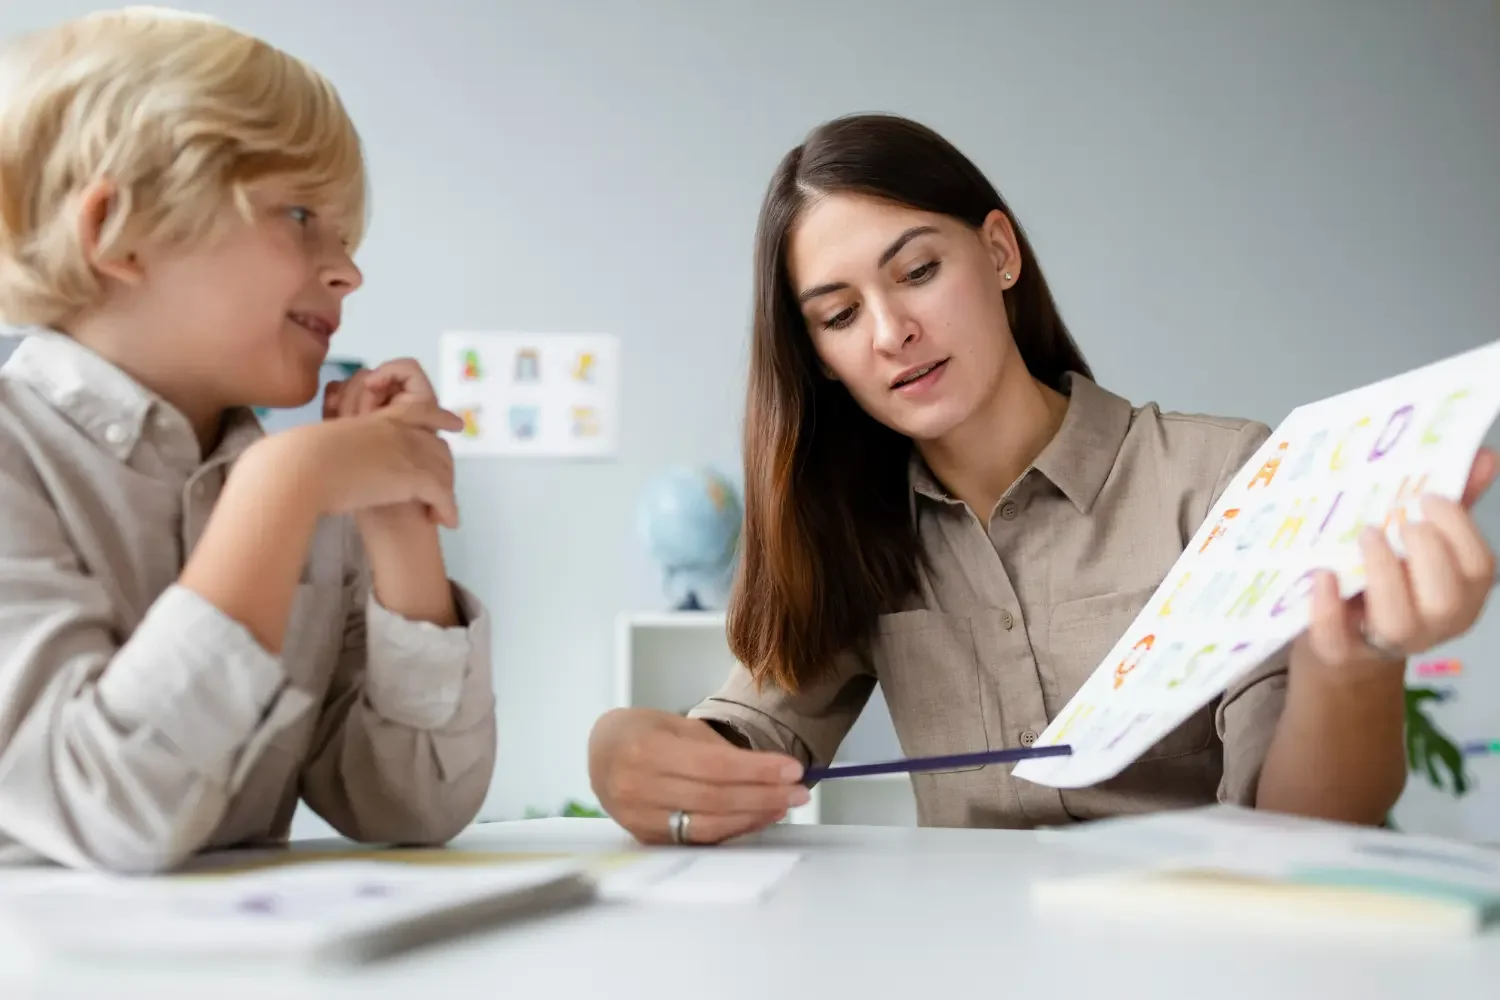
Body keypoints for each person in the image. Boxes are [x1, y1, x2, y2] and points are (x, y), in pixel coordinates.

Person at [589, 112, 1498, 845]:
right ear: (819, 356)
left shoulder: (1221, 476)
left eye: (918, 271)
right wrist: (625, 753)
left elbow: (1304, 825)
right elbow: (746, 737)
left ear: (999, 254)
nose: (889, 331)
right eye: (838, 314)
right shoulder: (857, 529)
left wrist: (1355, 663)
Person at [0, 8, 496, 872]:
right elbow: (110, 808)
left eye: (346, 235)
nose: (349, 270)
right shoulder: (22, 458)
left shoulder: (294, 480)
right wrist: (280, 491)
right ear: (116, 234)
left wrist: (398, 529)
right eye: (301, 214)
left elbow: (412, 805)